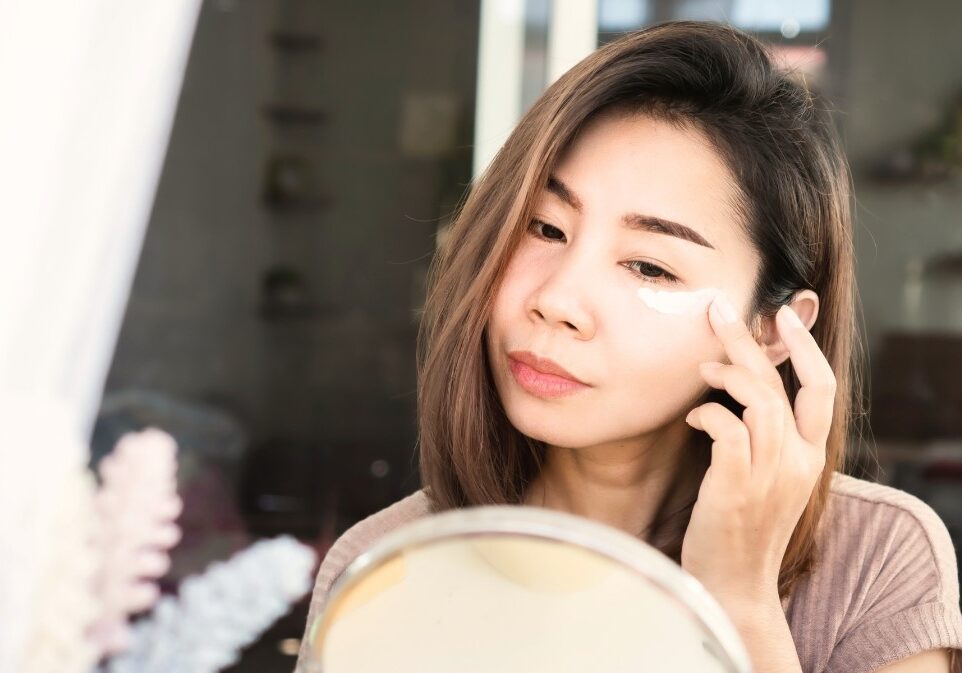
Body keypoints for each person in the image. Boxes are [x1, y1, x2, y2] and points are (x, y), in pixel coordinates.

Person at [295, 20, 962, 673]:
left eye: (649, 266)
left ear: (772, 328)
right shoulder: (387, 567)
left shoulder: (878, 558)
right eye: (544, 227)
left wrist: (740, 601)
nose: (556, 300)